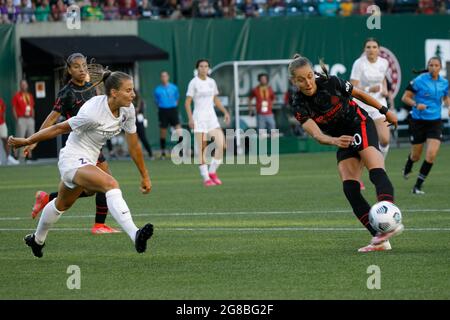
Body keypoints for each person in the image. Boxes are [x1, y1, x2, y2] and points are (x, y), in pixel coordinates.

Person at [8, 71, 154, 258]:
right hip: (72, 159)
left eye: (132, 90)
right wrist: (28, 141)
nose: (133, 94)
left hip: (90, 159)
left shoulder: (128, 109)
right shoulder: (92, 112)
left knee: (62, 204)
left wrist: (145, 176)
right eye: (128, 90)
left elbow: (134, 146)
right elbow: (59, 127)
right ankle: (135, 234)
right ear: (114, 92)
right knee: (110, 184)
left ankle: (36, 240)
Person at [288, 54, 403, 252]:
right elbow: (316, 134)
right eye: (301, 79)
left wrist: (385, 111)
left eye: (309, 76)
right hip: (341, 137)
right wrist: (334, 140)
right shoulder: (298, 103)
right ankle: (380, 238)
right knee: (350, 188)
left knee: (375, 170)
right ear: (293, 81)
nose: (307, 82)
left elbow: (360, 94)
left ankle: (388, 216)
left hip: (360, 124)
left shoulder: (330, 82)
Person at [24, 53, 119, 234]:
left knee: (89, 190)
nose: (82, 69)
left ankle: (47, 198)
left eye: (83, 65)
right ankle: (99, 225)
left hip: (94, 144)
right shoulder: (67, 92)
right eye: (76, 66)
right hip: (80, 146)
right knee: (107, 182)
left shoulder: (92, 87)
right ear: (69, 70)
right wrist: (33, 140)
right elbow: (52, 118)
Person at [401, 57, 449, 194]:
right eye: (431, 65)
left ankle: (417, 186)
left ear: (441, 67)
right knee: (416, 156)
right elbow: (405, 97)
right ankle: (409, 163)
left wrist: (448, 103)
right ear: (428, 66)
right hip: (418, 121)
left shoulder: (444, 83)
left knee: (431, 155)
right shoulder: (419, 81)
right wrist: (416, 104)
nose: (433, 67)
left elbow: (445, 97)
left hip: (435, 122)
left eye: (436, 65)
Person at [185, 59, 231, 186]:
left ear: (208, 68)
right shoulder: (193, 83)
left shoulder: (212, 82)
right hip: (199, 118)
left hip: (212, 118)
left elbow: (215, 99)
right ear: (197, 68)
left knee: (222, 145)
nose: (203, 68)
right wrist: (190, 118)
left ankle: (212, 171)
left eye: (206, 66)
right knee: (202, 149)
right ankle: (206, 178)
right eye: (201, 66)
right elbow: (187, 102)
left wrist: (225, 112)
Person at [350, 38, 393, 159]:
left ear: (379, 49)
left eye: (374, 47)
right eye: (368, 47)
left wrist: (384, 88)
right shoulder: (359, 63)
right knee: (360, 142)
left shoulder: (384, 62)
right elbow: (352, 86)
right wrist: (368, 89)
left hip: (378, 103)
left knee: (385, 140)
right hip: (361, 104)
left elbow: (383, 77)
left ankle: (380, 164)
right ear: (364, 49)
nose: (371, 50)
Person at [153, 71, 183, 159]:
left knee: (178, 130)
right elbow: (156, 101)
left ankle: (180, 151)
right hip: (163, 111)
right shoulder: (157, 89)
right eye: (162, 76)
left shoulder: (174, 88)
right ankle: (163, 152)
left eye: (165, 76)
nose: (164, 78)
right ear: (160, 78)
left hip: (173, 110)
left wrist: (172, 106)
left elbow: (177, 99)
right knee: (163, 132)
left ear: (168, 77)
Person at [12, 79, 35, 161]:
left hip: (30, 119)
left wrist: (33, 117)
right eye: (22, 84)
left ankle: (29, 156)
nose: (24, 86)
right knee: (20, 138)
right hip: (21, 119)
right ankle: (20, 157)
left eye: (25, 84)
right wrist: (17, 119)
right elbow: (14, 108)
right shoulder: (17, 96)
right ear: (20, 86)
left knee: (31, 138)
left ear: (27, 85)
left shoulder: (30, 96)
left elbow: (32, 107)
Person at [134, 90, 154, 159]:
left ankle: (150, 153)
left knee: (143, 138)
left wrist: (137, 110)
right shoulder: (129, 102)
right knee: (134, 140)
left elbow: (142, 111)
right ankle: (135, 155)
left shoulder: (141, 101)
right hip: (132, 122)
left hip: (139, 122)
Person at [0, 97, 19, 165]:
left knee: (5, 139)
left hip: (1, 123)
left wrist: (3, 121)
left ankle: (8, 158)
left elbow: (3, 111)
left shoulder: (1, 100)